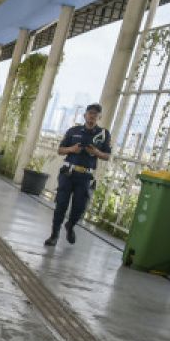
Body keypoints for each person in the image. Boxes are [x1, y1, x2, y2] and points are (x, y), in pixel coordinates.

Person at [45, 103, 111, 247]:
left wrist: (96, 153)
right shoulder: (73, 131)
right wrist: (72, 149)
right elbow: (60, 150)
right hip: (68, 173)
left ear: (99, 117)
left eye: (96, 114)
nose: (92, 116)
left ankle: (70, 225)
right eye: (90, 113)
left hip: (85, 176)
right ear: (85, 115)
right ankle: (54, 235)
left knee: (79, 208)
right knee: (61, 204)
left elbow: (107, 156)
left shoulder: (103, 134)